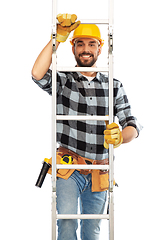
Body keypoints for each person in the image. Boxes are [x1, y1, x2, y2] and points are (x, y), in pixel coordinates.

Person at [32, 14, 142, 240]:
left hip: (100, 171)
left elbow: (132, 123)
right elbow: (37, 74)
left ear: (100, 49)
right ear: (72, 48)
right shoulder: (64, 81)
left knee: (92, 230)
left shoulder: (113, 84)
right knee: (67, 224)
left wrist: (121, 137)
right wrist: (57, 39)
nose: (85, 49)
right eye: (79, 43)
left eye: (92, 44)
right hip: (69, 169)